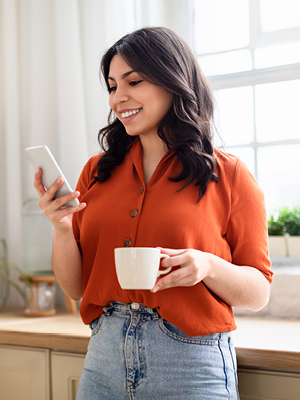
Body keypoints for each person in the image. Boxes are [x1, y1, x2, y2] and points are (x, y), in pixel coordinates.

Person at [34, 27, 273, 399]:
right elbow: (76, 288)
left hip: (190, 365)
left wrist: (207, 266)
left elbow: (258, 294)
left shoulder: (228, 175)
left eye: (134, 81)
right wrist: (62, 228)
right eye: (112, 86)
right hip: (104, 358)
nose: (118, 98)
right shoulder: (97, 171)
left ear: (173, 81)